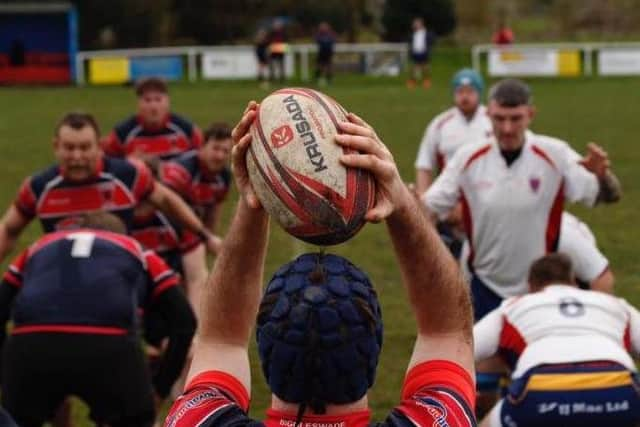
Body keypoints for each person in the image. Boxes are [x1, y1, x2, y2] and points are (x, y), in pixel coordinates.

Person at [164, 103, 476, 425]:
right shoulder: (437, 420)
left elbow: (220, 338)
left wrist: (255, 195)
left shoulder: (200, 420)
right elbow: (447, 329)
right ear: (372, 359)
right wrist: (401, 200)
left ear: (267, 361)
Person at [423, 78, 621, 415]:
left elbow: (607, 196)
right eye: (499, 118)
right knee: (478, 395)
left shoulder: (554, 154)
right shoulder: (469, 158)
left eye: (515, 118)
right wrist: (410, 205)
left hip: (537, 294)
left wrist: (603, 177)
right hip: (483, 286)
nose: (507, 127)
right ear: (490, 115)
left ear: (530, 114)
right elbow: (429, 208)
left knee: (542, 391)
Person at [0, 212, 196, 427]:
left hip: (30, 345)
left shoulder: (38, 247)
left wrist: (9, 372)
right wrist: (159, 389)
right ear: (121, 234)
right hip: (109, 347)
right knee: (134, 418)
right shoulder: (136, 249)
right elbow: (185, 322)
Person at [0, 112, 220, 264]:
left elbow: (166, 201)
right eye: (69, 148)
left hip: (118, 279)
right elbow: (9, 229)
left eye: (85, 148)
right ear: (56, 147)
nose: (77, 156)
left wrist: (205, 235)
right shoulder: (39, 187)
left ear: (99, 147)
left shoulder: (127, 175)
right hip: (61, 283)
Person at [474, 253, 640, 426]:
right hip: (618, 387)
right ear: (574, 282)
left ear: (531, 286)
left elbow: (465, 347)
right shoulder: (614, 304)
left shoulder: (513, 307)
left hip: (541, 392)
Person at [160, 122, 232, 313]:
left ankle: (191, 326)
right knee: (192, 279)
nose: (220, 156)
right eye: (216, 148)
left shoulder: (223, 176)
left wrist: (209, 239)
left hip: (191, 232)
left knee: (194, 280)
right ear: (203, 146)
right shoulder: (182, 170)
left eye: (226, 151)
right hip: (164, 229)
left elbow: (213, 212)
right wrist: (205, 236)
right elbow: (166, 207)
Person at [102, 77, 203, 161]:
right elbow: (104, 161)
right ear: (139, 104)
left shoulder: (187, 130)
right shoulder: (122, 133)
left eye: (158, 99)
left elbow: (204, 156)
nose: (153, 106)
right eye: (147, 100)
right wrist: (128, 163)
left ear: (167, 102)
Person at [407, 17, 435, 89]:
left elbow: (431, 41)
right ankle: (412, 81)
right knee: (414, 67)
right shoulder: (413, 34)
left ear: (421, 24)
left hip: (424, 52)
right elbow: (411, 43)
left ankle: (426, 81)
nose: (415, 25)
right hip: (415, 52)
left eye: (416, 23)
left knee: (425, 67)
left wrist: (429, 48)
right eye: (414, 24)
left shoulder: (426, 32)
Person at [315, 21, 336, 85]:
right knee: (319, 66)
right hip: (321, 53)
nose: (323, 28)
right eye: (322, 27)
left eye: (324, 27)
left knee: (328, 67)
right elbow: (317, 40)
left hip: (328, 53)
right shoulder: (319, 34)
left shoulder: (330, 34)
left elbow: (333, 40)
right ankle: (318, 79)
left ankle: (329, 80)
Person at [268, 19, 288, 83]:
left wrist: (285, 48)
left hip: (280, 51)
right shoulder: (271, 33)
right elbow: (268, 41)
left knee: (281, 65)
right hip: (273, 51)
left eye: (278, 25)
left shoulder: (283, 33)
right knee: (272, 66)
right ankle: (272, 79)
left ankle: (282, 79)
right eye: (276, 25)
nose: (277, 26)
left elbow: (286, 41)